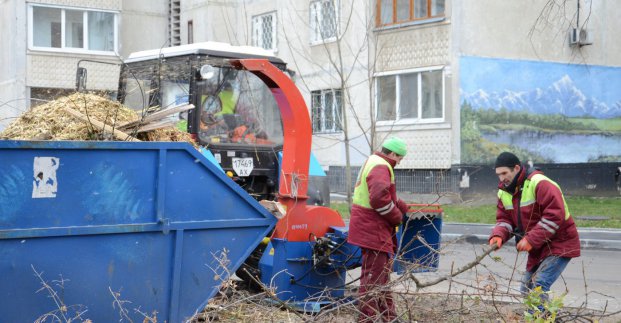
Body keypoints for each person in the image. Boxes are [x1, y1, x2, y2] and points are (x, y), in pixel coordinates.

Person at [489, 152, 580, 304]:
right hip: (538, 246)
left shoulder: (540, 183)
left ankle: (540, 319)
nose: (501, 178)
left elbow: (554, 215)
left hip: (559, 242)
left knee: (538, 286)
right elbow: (505, 220)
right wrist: (498, 235)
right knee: (526, 288)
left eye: (504, 173)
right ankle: (542, 318)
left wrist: (531, 239)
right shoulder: (503, 192)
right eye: (498, 174)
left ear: (516, 168)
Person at [348, 137, 410, 322]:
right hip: (372, 228)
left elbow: (381, 194)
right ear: (392, 154)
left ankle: (389, 317)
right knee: (373, 280)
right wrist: (397, 216)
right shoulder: (382, 166)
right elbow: (378, 199)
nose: (399, 161)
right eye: (400, 158)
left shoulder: (374, 161)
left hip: (369, 226)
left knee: (381, 278)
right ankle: (366, 319)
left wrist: (401, 204)